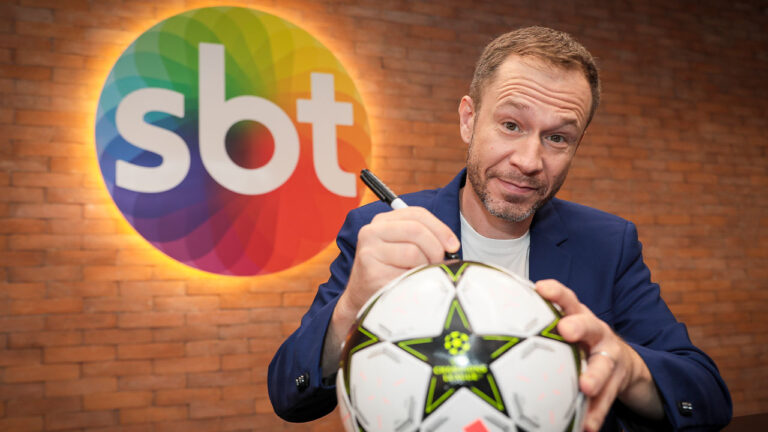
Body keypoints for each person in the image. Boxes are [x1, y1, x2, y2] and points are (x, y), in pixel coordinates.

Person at [268, 26, 732, 431]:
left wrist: (628, 367)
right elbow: (290, 396)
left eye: (557, 138)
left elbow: (707, 397)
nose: (529, 162)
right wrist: (351, 308)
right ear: (469, 120)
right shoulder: (379, 229)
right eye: (511, 124)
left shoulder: (609, 243)